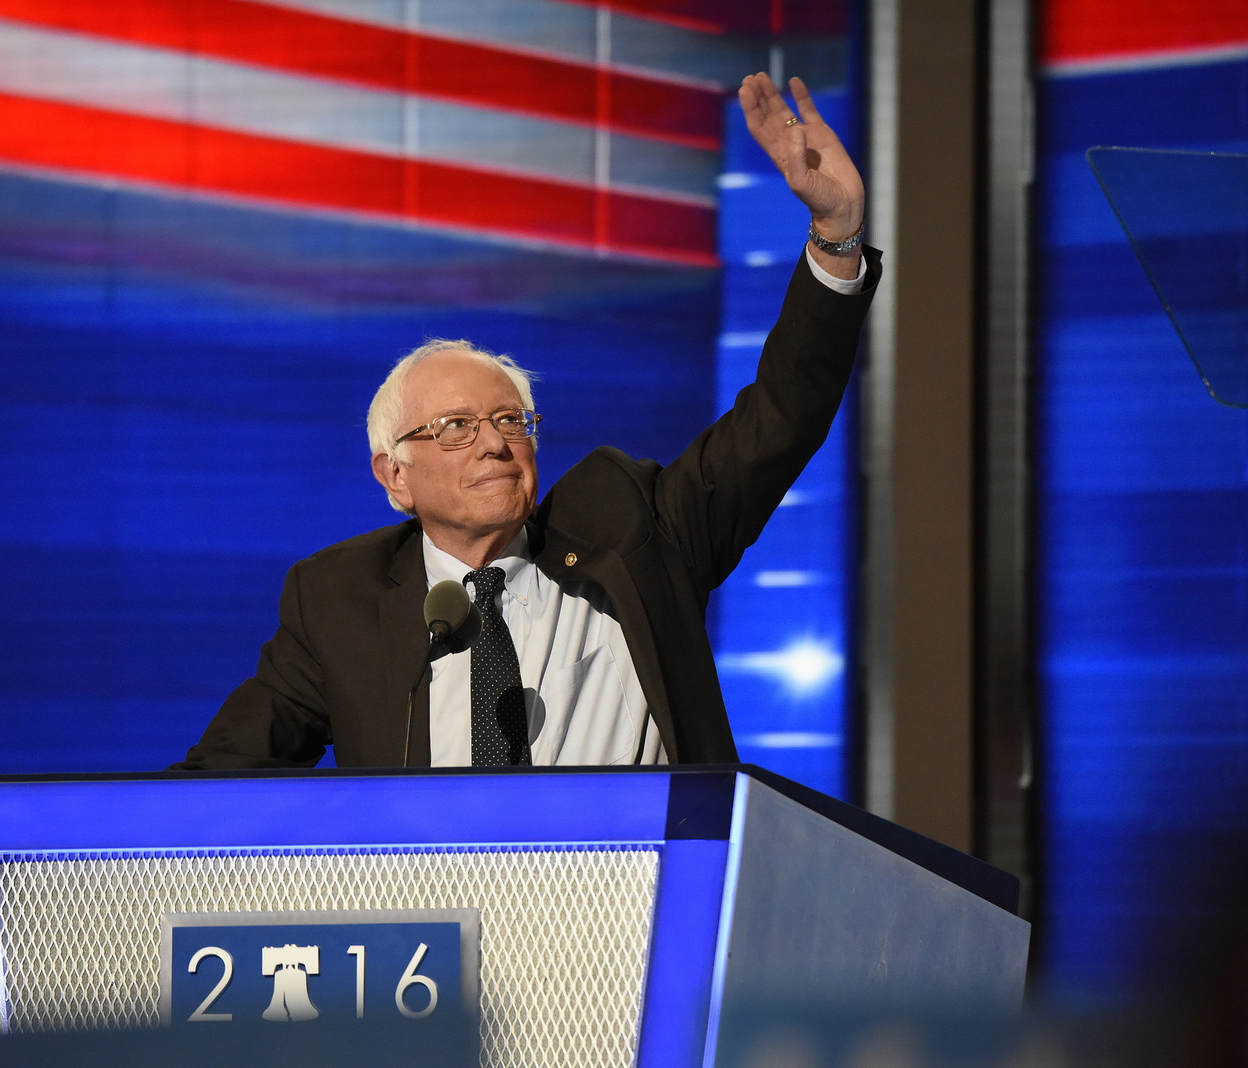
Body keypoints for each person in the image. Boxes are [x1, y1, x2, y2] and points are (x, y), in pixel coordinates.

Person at [174, 75, 881, 770]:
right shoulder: (340, 599)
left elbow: (780, 420)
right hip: (431, 887)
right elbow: (225, 774)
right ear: (394, 476)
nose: (494, 443)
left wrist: (837, 237)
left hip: (630, 883)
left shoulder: (636, 535)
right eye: (454, 426)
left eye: (510, 420)